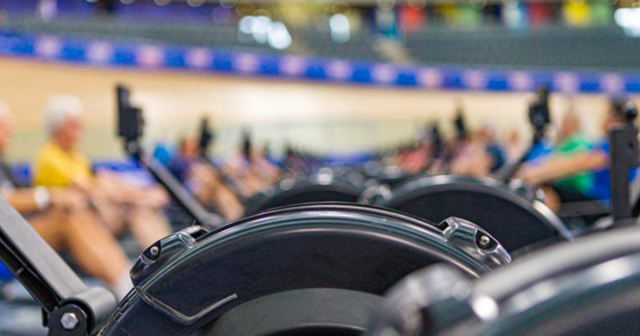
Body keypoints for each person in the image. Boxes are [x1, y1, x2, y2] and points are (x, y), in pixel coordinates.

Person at [0, 100, 132, 299]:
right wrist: (48, 196)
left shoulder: (4, 165)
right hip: (5, 252)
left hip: (15, 239)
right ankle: (124, 287)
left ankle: (126, 277)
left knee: (74, 210)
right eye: (4, 125)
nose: (10, 130)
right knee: (65, 217)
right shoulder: (48, 157)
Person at [33, 95, 172, 250]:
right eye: (74, 126)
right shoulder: (49, 156)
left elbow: (102, 179)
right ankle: (165, 258)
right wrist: (141, 197)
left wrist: (140, 193)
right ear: (57, 128)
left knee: (138, 207)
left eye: (80, 125)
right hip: (72, 222)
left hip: (95, 215)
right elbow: (91, 186)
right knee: (136, 207)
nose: (80, 131)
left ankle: (169, 255)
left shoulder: (76, 156)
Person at [517, 98, 635, 203]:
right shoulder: (604, 143)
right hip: (593, 197)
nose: (603, 119)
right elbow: (570, 158)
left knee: (551, 195)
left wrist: (538, 174)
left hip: (603, 202)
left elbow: (581, 163)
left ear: (615, 120)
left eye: (606, 115)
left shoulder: (619, 146)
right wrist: (536, 169)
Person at [169, 136, 244, 221]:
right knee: (218, 188)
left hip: (206, 188)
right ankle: (235, 218)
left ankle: (237, 217)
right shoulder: (177, 161)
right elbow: (192, 173)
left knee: (222, 191)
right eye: (191, 143)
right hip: (189, 193)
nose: (194, 145)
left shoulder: (197, 158)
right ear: (183, 145)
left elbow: (211, 170)